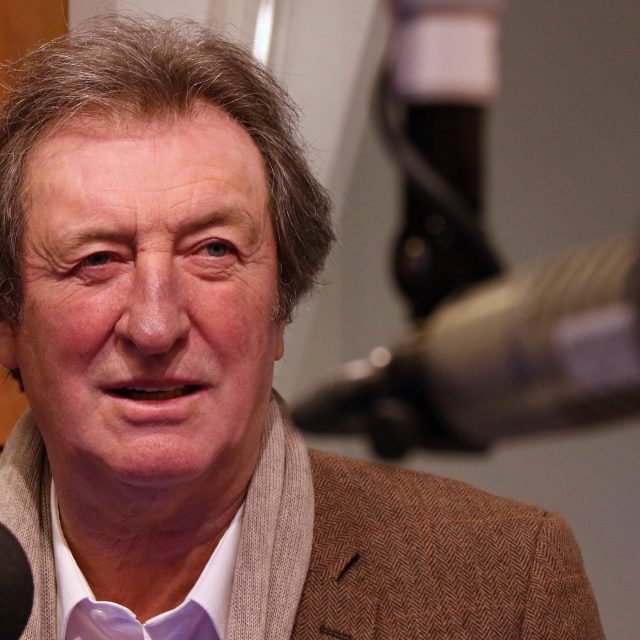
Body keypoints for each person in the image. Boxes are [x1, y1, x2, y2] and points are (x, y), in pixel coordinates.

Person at [0, 15, 604, 640]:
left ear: (281, 303)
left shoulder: (502, 590)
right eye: (96, 260)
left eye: (213, 251)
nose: (155, 326)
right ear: (8, 321)